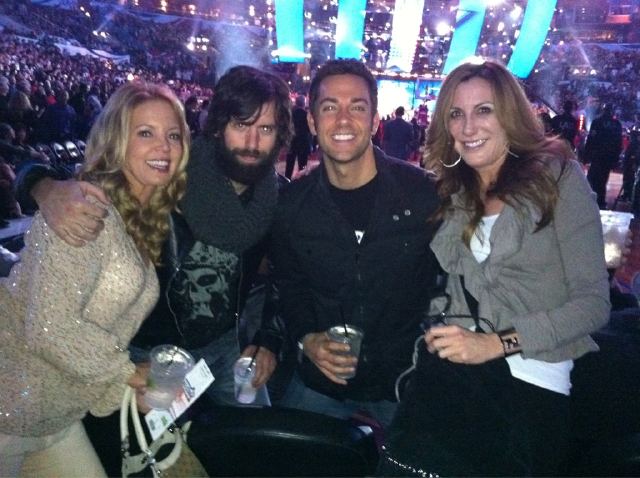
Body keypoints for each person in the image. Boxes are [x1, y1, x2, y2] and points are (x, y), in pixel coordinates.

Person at [378, 58, 610, 476]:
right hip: (453, 381)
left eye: (483, 110)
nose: (468, 127)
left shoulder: (558, 178)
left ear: (509, 115)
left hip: (530, 388)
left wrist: (494, 344)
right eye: (456, 114)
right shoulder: (453, 193)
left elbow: (593, 305)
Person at [15, 65, 292, 407]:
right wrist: (43, 187)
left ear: (280, 136)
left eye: (265, 128)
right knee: (166, 440)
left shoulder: (277, 201)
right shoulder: (173, 173)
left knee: (255, 432)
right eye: (240, 125)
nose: (251, 142)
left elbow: (286, 276)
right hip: (152, 352)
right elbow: (70, 173)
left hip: (228, 347)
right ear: (219, 127)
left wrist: (268, 338)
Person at [0, 81, 190, 476]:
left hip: (56, 416)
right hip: (8, 405)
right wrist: (127, 373)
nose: (164, 146)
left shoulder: (145, 217)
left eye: (173, 135)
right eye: (146, 133)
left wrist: (127, 390)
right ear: (117, 141)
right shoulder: (82, 207)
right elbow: (50, 327)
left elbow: (98, 331)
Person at [271, 59, 441, 429]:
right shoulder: (291, 206)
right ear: (312, 121)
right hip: (323, 378)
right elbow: (289, 286)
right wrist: (306, 338)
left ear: (375, 120)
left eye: (357, 108)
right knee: (281, 451)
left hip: (403, 379)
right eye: (330, 107)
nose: (344, 120)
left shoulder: (425, 195)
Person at [585, 103, 623, 208]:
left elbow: (591, 139)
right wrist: (616, 159)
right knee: (603, 179)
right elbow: (618, 144)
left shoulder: (597, 122)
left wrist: (586, 154)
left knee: (592, 177)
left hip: (598, 155)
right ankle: (600, 200)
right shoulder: (616, 124)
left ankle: (590, 199)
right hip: (609, 156)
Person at [284, 95, 312, 179]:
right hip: (303, 142)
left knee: (289, 164)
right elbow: (310, 129)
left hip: (292, 141)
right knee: (302, 165)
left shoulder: (290, 114)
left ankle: (287, 180)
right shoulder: (306, 115)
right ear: (303, 103)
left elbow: (286, 127)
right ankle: (302, 181)